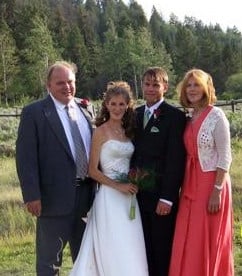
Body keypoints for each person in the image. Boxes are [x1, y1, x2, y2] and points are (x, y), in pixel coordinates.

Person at [16, 60, 96, 276]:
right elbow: (26, 158)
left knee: (87, 258)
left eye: (70, 81)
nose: (66, 87)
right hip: (52, 200)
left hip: (88, 198)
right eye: (60, 82)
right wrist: (31, 195)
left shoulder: (85, 108)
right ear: (48, 85)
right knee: (49, 263)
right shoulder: (34, 113)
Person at [69, 81, 149, 276]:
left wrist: (135, 180)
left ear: (128, 106)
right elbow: (92, 171)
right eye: (113, 104)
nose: (117, 108)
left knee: (131, 242)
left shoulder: (128, 131)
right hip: (109, 197)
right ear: (106, 105)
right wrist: (118, 186)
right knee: (114, 243)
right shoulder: (100, 132)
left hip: (129, 197)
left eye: (122, 104)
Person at [169, 69, 234, 276]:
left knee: (204, 235)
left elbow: (225, 156)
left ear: (206, 87)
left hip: (211, 183)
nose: (192, 89)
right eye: (189, 85)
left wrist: (217, 190)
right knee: (187, 234)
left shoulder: (216, 115)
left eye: (197, 84)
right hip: (190, 182)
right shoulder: (190, 116)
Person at [131, 67, 186, 276]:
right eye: (147, 84)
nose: (151, 89)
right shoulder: (134, 114)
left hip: (161, 197)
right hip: (138, 195)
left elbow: (175, 160)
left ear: (165, 87)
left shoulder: (175, 117)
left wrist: (168, 197)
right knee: (143, 248)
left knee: (162, 249)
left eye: (156, 84)